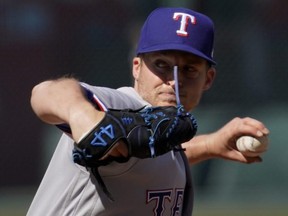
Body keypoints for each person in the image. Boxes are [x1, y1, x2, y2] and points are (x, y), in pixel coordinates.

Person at [27, 7, 269, 216]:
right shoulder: (118, 104)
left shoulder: (165, 132)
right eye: (161, 65)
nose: (174, 80)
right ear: (137, 67)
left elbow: (148, 157)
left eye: (189, 70)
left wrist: (209, 145)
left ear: (208, 78)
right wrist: (83, 116)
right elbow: (46, 92)